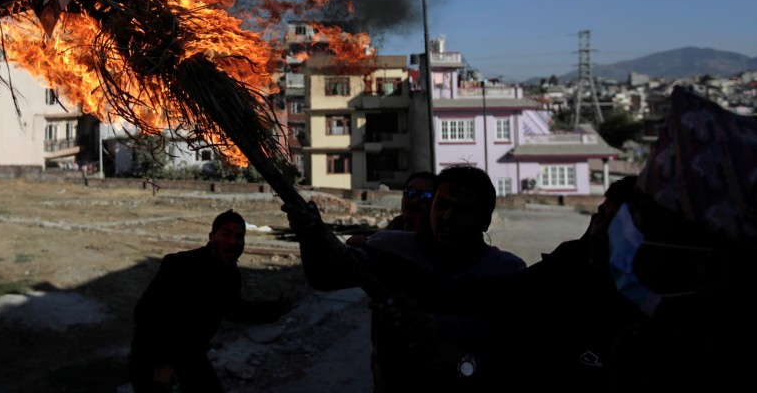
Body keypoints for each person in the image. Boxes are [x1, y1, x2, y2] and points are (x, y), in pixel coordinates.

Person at [372, 86, 757, 391]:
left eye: (642, 228)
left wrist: (464, 365)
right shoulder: (577, 272)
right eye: (608, 218)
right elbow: (509, 315)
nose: (619, 236)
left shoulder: (688, 358)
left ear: (709, 269)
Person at [285, 165, 525, 391]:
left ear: (485, 220)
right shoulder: (392, 249)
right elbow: (325, 277)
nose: (446, 217)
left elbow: (512, 348)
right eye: (441, 205)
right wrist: (309, 234)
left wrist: (441, 328)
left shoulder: (505, 272)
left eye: (462, 210)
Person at [129, 209, 298, 393]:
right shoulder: (179, 265)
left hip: (190, 357)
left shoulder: (231, 275)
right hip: (153, 359)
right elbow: (146, 314)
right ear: (211, 237)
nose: (232, 242)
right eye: (226, 234)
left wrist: (276, 309)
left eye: (238, 236)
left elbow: (234, 310)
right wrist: (162, 363)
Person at [346, 170, 436, 248]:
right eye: (410, 192)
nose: (414, 200)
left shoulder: (436, 241)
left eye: (425, 196)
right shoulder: (396, 225)